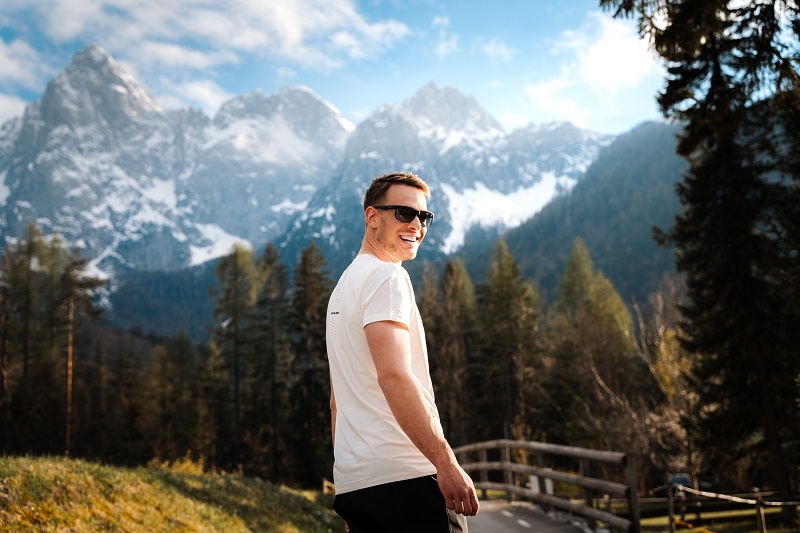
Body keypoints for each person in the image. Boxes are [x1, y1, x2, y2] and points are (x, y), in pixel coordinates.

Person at [326, 172, 479, 532]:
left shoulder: (341, 290)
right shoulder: (387, 277)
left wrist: (351, 483)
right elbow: (394, 376)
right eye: (404, 213)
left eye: (424, 216)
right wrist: (445, 463)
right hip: (409, 480)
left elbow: (336, 403)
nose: (417, 225)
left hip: (359, 487)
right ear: (372, 216)